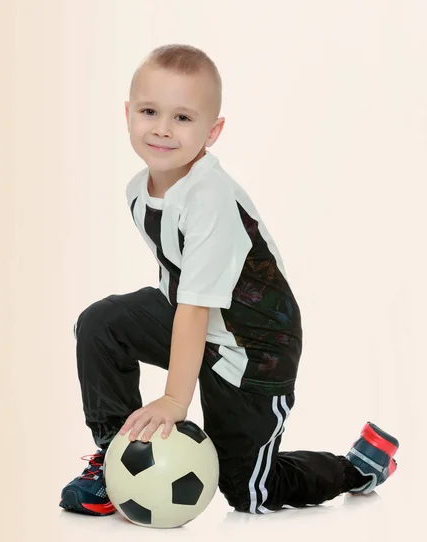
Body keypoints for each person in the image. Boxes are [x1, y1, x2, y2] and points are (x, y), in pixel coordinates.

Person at [58, 44, 399, 516]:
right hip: (195, 317)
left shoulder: (209, 199)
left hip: (254, 350)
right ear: (128, 114)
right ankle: (116, 457)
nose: (161, 128)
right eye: (150, 111)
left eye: (182, 118)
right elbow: (181, 288)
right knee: (102, 325)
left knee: (250, 493)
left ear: (212, 131)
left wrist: (176, 399)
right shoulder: (140, 189)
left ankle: (355, 468)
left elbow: (197, 307)